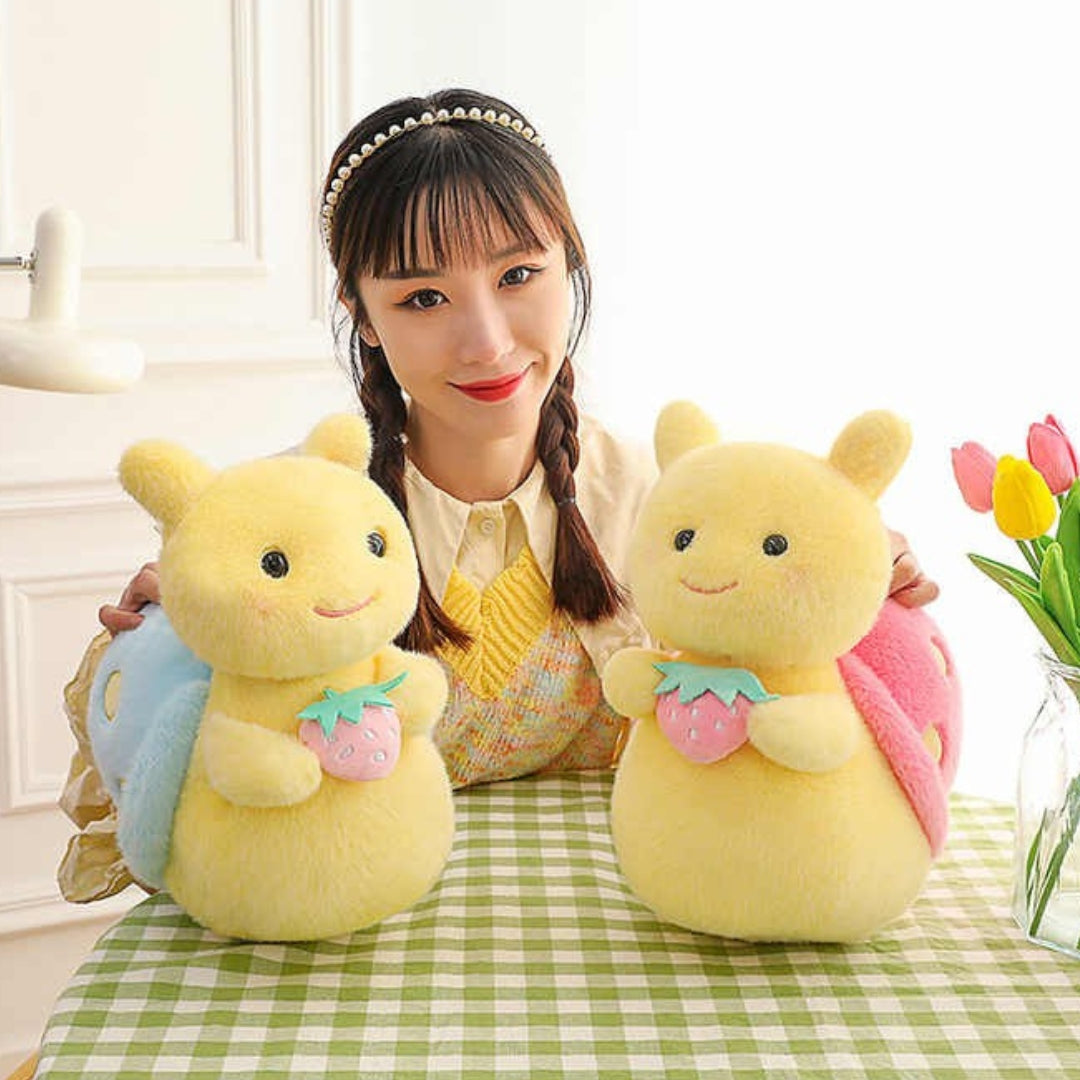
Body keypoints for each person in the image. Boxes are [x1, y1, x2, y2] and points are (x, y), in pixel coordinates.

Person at [62, 87, 938, 899]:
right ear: (363, 316)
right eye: (423, 297)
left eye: (518, 276)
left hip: (639, 912)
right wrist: (189, 635)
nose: (484, 342)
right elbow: (177, 784)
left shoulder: (681, 512)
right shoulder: (281, 524)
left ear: (570, 265)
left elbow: (803, 707)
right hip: (356, 917)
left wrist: (849, 576)